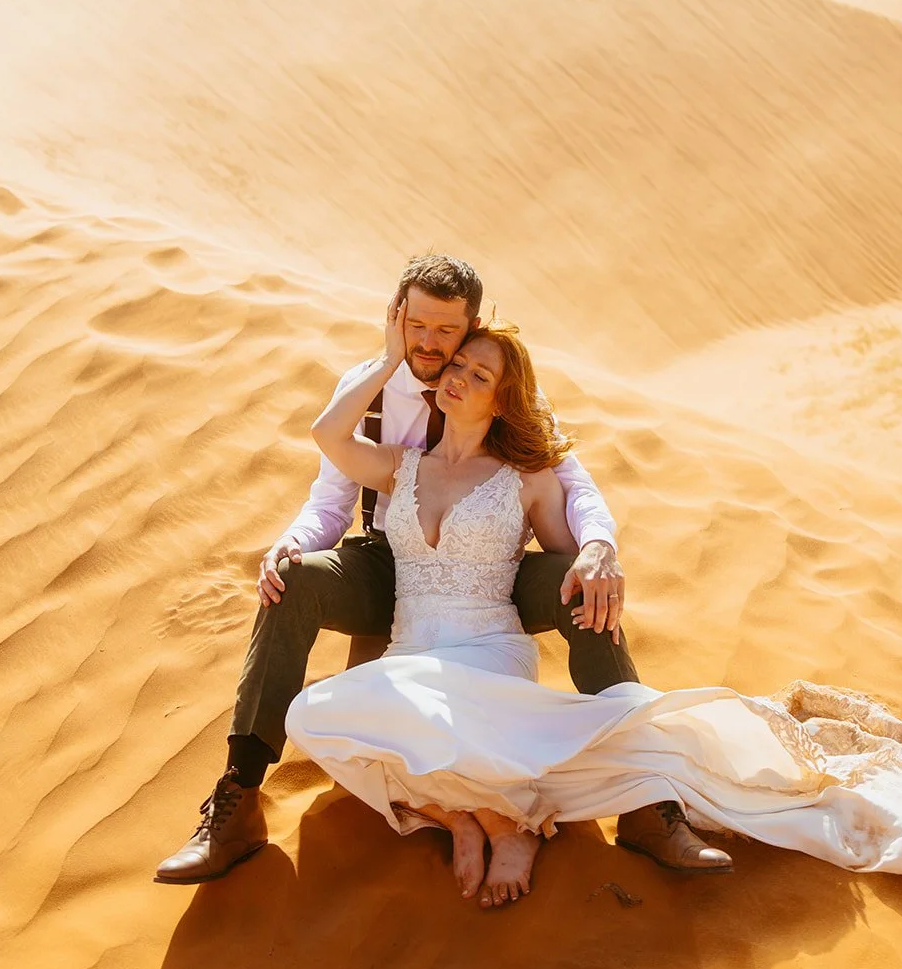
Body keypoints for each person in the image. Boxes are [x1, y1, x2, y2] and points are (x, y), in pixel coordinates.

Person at [281, 303, 902, 909]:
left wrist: (595, 553)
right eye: (457, 364)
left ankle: (497, 820)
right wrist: (392, 354)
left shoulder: (526, 480)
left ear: (502, 401)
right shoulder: (401, 466)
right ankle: (483, 821)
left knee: (421, 729)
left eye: (479, 374)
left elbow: (563, 561)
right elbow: (326, 435)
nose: (457, 375)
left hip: (481, 651)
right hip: (410, 654)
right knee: (313, 715)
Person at [155, 255, 730, 884]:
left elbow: (571, 482)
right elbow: (330, 499)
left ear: (472, 326)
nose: (430, 344)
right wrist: (290, 542)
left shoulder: (508, 388)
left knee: (580, 589)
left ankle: (647, 805)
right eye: (416, 325)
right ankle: (238, 801)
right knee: (291, 582)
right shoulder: (367, 387)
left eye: (446, 332)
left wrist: (599, 547)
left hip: (494, 572)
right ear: (396, 314)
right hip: (389, 560)